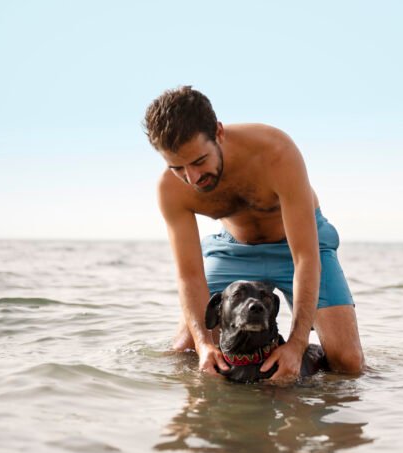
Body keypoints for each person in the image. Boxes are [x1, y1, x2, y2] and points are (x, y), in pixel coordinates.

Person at [144, 86, 364, 382]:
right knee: (184, 350)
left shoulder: (275, 151)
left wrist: (297, 346)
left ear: (218, 133)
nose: (191, 178)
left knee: (348, 363)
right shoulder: (170, 190)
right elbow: (189, 276)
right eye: (177, 168)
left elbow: (305, 258)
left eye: (198, 162)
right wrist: (204, 344)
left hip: (299, 246)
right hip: (234, 250)